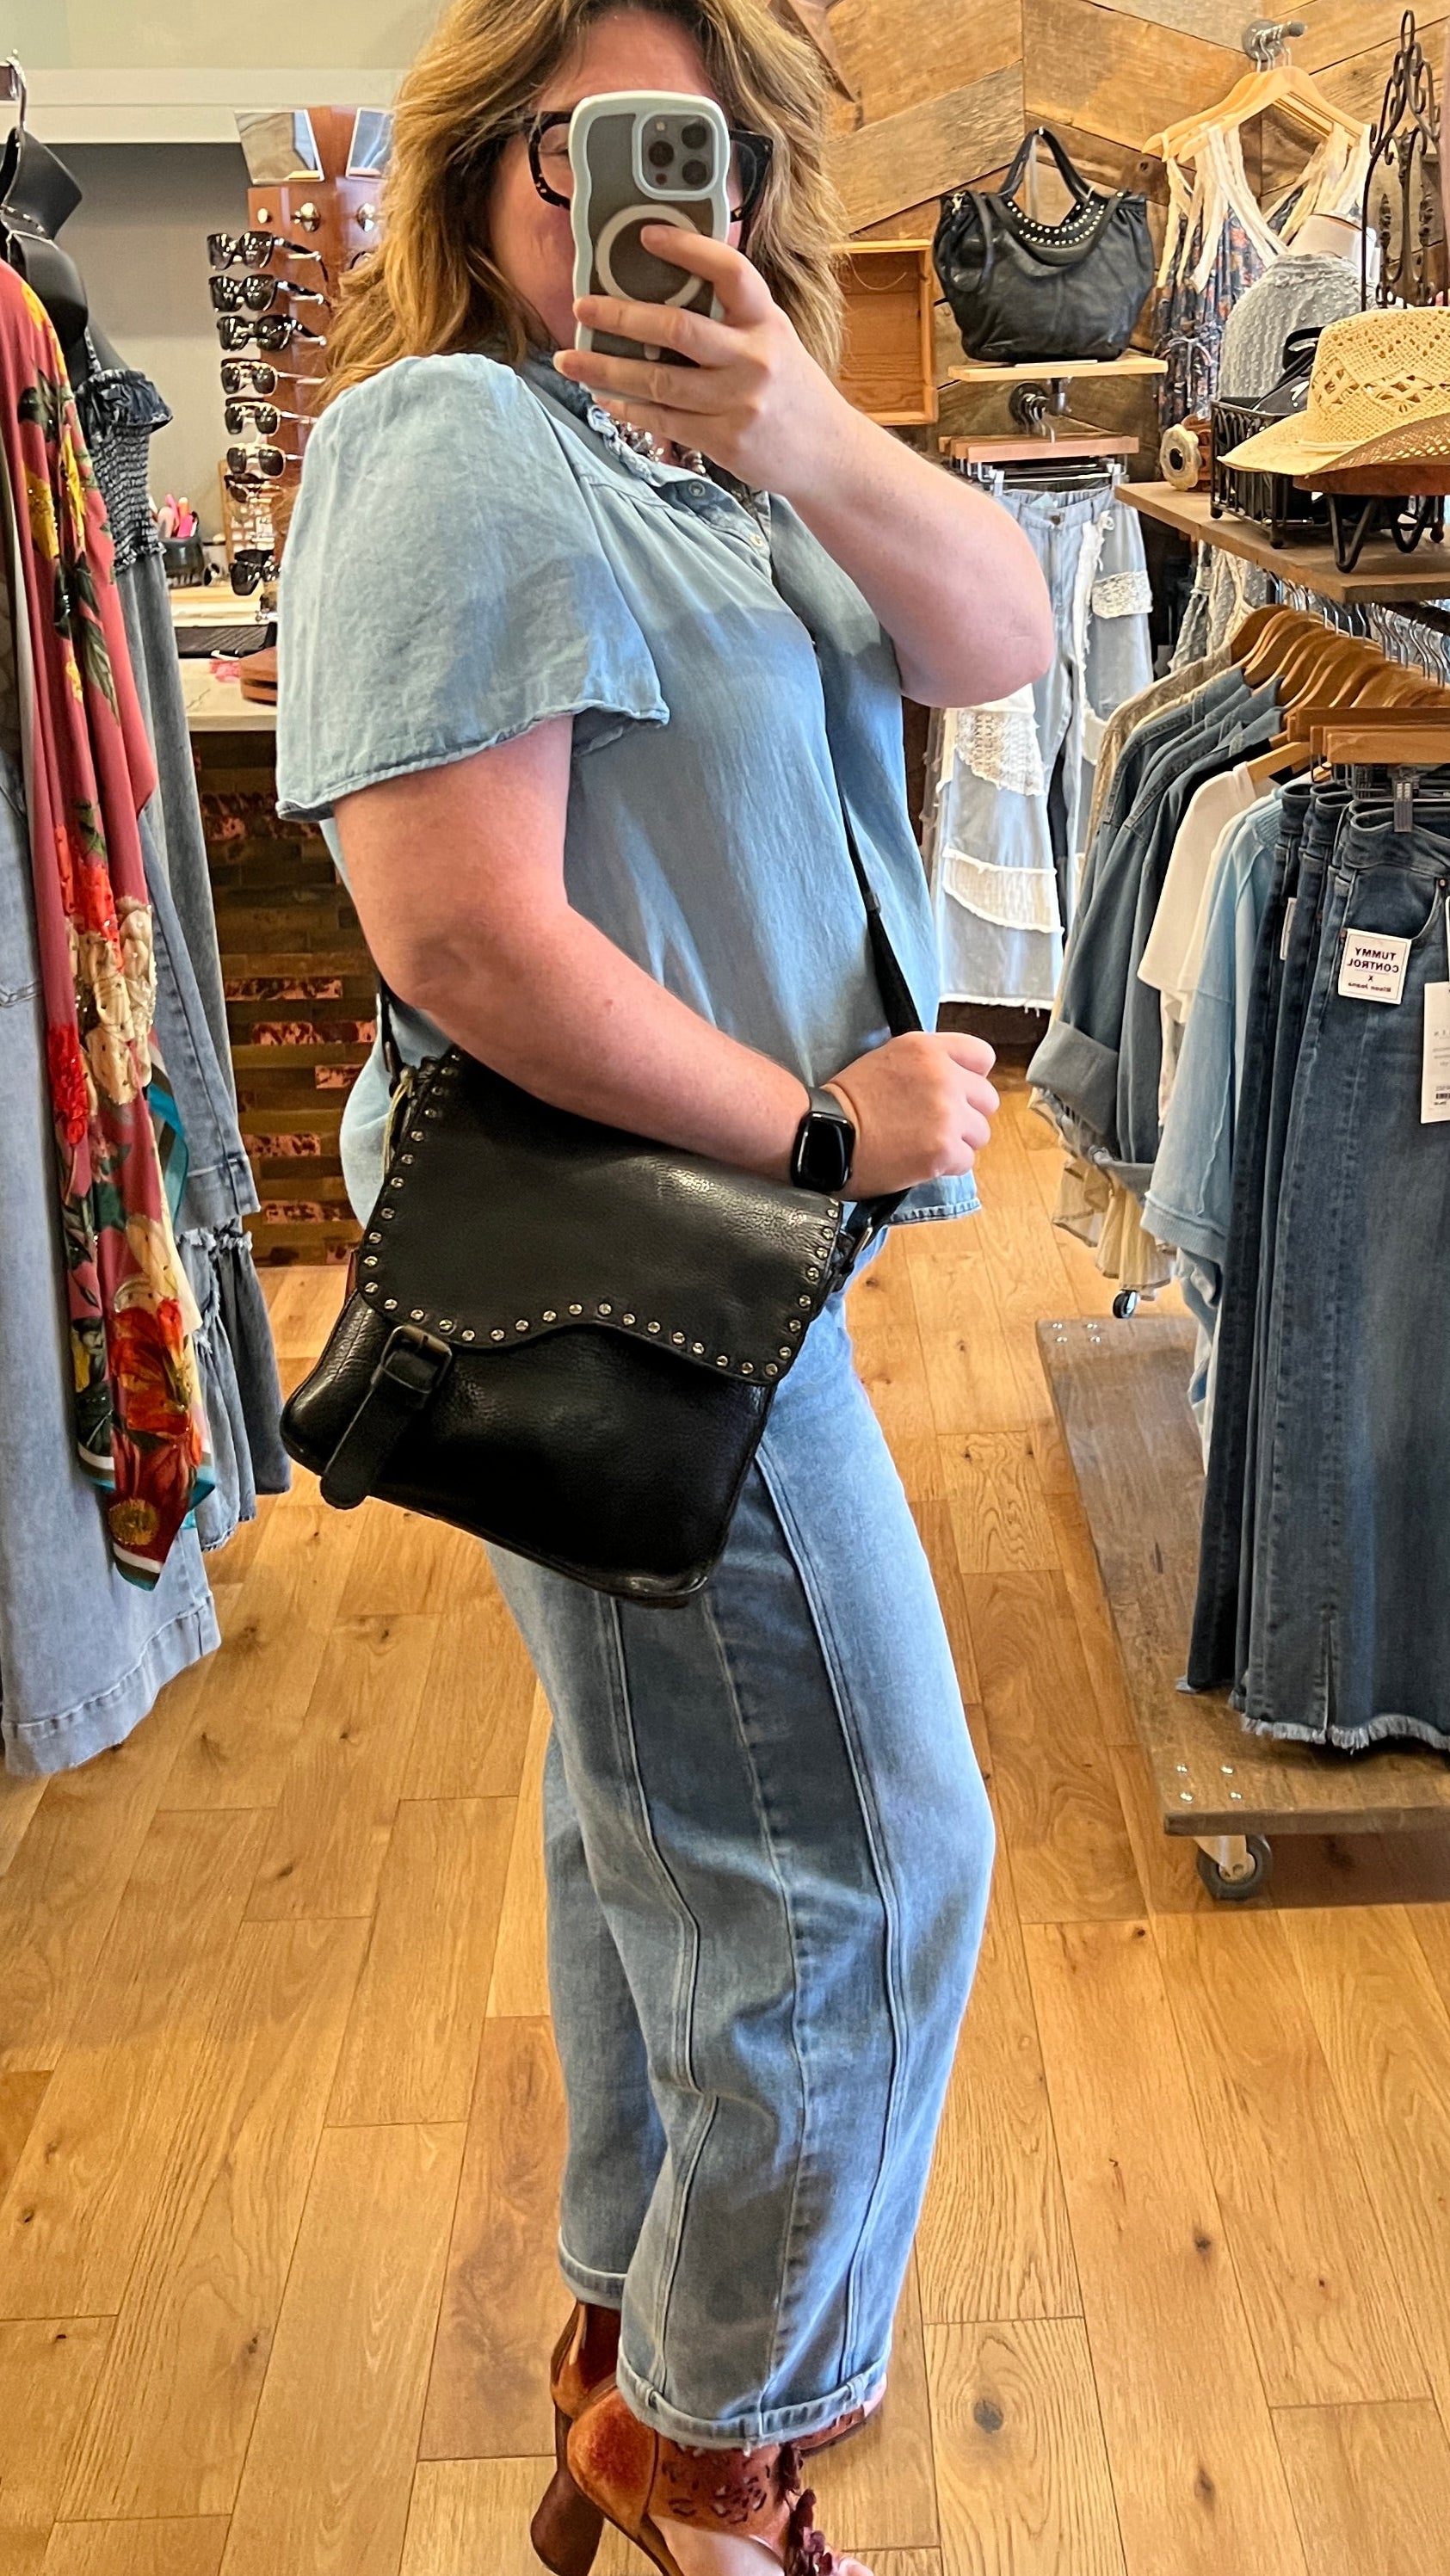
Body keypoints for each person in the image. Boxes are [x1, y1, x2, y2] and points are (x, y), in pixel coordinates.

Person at [275, 4, 1053, 2569]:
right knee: (869, 1860)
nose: (630, 204)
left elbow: (997, 637)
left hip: (718, 1263)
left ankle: (638, 2337)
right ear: (485, 176)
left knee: (660, 1836)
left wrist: (799, 414)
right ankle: (718, 2461)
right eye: (583, 154)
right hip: (635, 1264)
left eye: (689, 155)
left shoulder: (724, 456)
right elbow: (459, 935)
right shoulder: (456, 440)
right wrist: (823, 1119)